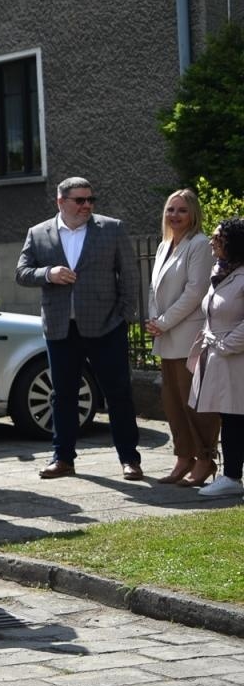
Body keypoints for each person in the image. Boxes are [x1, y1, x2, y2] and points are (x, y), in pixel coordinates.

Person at [16, 176, 143, 481]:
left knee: (118, 393)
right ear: (61, 201)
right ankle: (63, 458)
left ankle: (130, 459)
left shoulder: (111, 228)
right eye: (80, 200)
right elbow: (21, 272)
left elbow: (129, 274)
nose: (87, 205)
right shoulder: (39, 233)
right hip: (61, 328)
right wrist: (49, 273)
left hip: (106, 325)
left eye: (90, 200)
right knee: (63, 396)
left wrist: (125, 316)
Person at [148, 189, 218, 485]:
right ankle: (183, 457)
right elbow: (156, 290)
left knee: (194, 402)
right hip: (165, 337)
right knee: (172, 401)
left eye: (182, 210)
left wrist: (163, 322)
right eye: (170, 210)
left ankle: (205, 459)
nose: (174, 216)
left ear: (193, 215)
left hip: (187, 336)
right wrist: (155, 322)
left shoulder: (199, 244)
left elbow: (195, 291)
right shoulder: (165, 245)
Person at [189, 218, 244, 498]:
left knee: (237, 417)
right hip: (221, 355)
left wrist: (226, 345)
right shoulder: (220, 271)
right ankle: (232, 475)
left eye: (217, 238)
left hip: (235, 356)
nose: (212, 242)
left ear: (232, 243)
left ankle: (233, 476)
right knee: (230, 416)